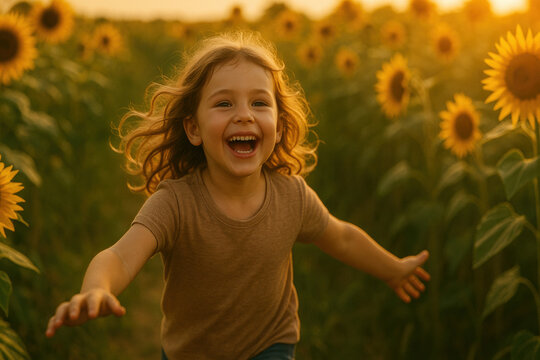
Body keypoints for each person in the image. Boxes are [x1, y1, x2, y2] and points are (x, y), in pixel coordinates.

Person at [45, 31, 430, 359]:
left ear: (278, 127)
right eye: (224, 103)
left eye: (260, 103)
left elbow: (341, 236)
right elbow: (119, 256)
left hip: (271, 345)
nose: (244, 115)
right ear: (194, 129)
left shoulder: (292, 196)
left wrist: (392, 269)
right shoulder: (175, 203)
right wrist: (95, 288)